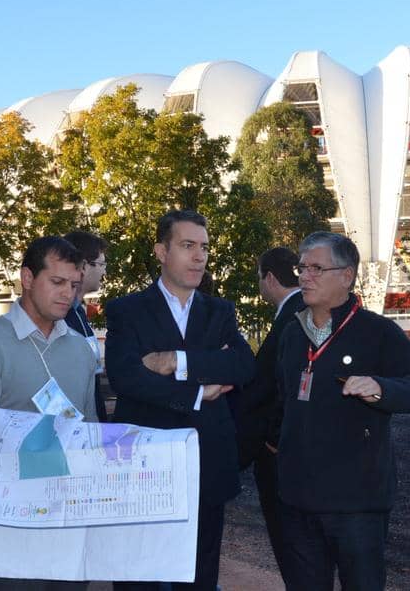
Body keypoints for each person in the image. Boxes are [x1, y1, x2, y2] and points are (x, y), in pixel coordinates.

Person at [274, 232, 410, 591]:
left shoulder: (376, 332)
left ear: (346, 275)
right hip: (297, 499)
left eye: (317, 268)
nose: (305, 276)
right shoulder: (291, 334)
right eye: (302, 268)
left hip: (356, 504)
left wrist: (382, 388)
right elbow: (280, 400)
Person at [104, 210, 255, 591]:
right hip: (144, 463)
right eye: (188, 246)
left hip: (208, 460)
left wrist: (177, 361)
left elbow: (241, 366)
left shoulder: (220, 310)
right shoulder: (127, 310)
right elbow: (127, 378)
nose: (199, 256)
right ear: (161, 250)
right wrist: (199, 392)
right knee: (140, 574)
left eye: (204, 247)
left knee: (201, 573)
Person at [0, 235, 98, 589]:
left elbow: (89, 431)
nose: (67, 294)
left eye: (74, 285)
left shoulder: (80, 351)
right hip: (9, 532)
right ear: (27, 278)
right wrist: (45, 456)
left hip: (69, 529)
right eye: (57, 282)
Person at [234, 247, 304, 583]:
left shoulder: (295, 317)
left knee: (293, 544)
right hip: (291, 453)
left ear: (270, 278)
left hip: (281, 455)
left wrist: (272, 440)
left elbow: (282, 388)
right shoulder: (301, 312)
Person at [64, 229, 110, 422]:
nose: (104, 271)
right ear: (83, 266)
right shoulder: (60, 317)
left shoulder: (78, 311)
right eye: (101, 264)